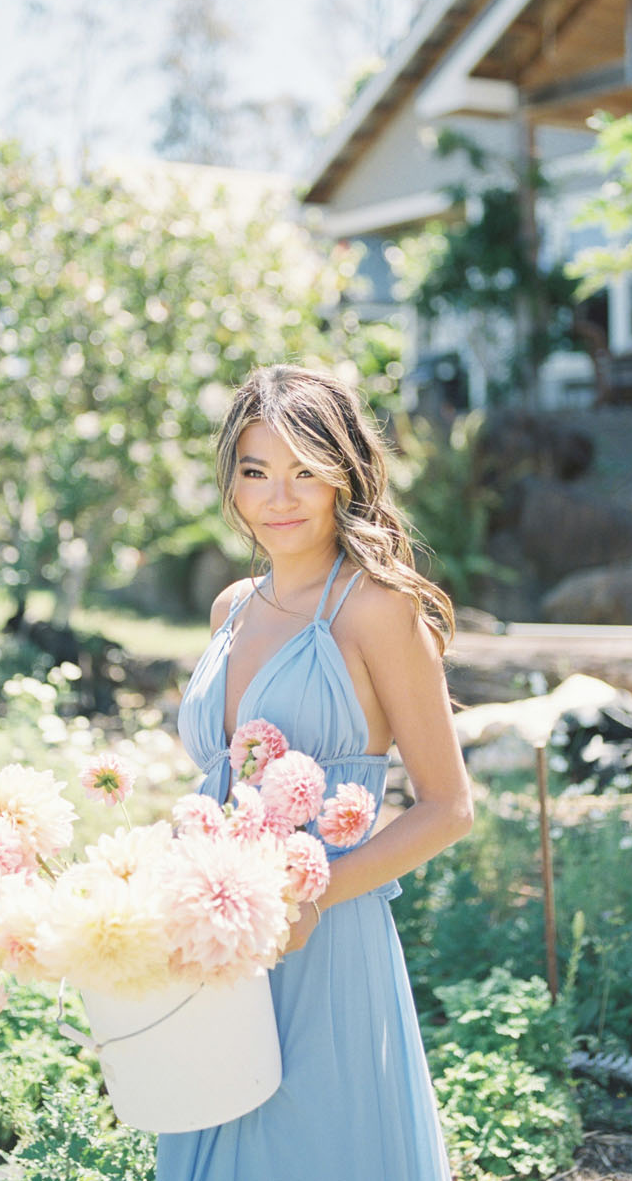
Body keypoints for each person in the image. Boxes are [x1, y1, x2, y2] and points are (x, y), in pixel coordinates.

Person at [155, 364, 474, 1181]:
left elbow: (447, 808)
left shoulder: (376, 609)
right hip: (219, 944)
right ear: (231, 481)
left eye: (305, 469)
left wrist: (308, 896)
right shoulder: (231, 608)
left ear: (344, 476)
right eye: (256, 470)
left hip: (326, 938)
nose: (279, 496)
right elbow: (219, 784)